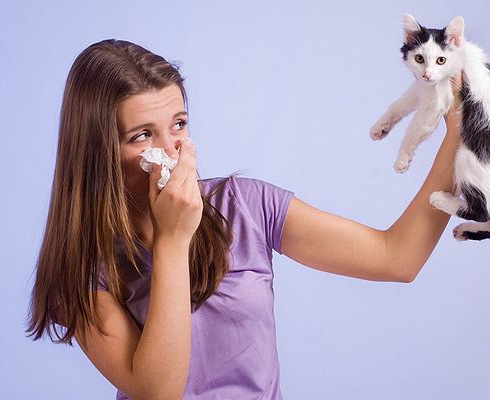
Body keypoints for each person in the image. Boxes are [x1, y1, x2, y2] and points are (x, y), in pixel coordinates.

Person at [25, 39, 462, 400]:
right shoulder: (85, 272)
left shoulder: (246, 206)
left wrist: (458, 135)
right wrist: (173, 242)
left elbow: (396, 258)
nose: (172, 151)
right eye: (142, 135)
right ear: (98, 154)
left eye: (178, 124)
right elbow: (157, 391)